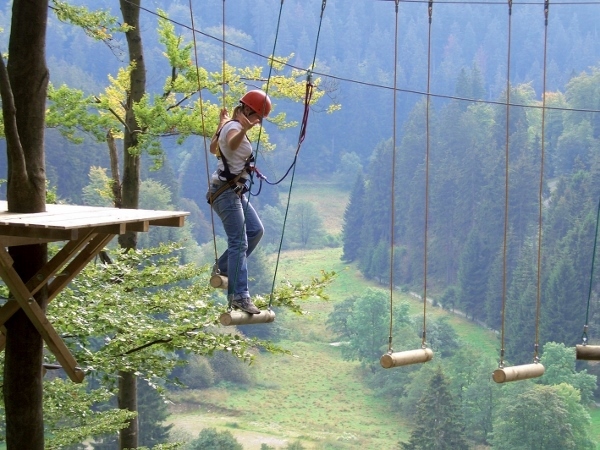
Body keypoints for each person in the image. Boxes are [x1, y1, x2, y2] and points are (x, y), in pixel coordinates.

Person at [207, 89, 272, 314]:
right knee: (239, 242)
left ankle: (224, 266)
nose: (259, 121)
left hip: (232, 191)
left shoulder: (229, 124)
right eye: (258, 116)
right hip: (225, 193)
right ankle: (239, 296)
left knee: (255, 231)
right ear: (247, 109)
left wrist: (221, 123)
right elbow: (232, 145)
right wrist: (242, 127)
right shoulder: (236, 128)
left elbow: (213, 148)